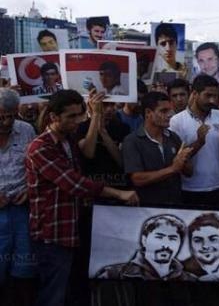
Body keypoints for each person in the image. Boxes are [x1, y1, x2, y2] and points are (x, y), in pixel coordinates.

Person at [25, 90, 138, 306]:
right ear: (54, 117)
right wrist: (119, 193)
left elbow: (88, 153)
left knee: (71, 291)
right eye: (71, 116)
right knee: (53, 295)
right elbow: (75, 184)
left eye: (80, 114)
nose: (77, 121)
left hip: (72, 228)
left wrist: (95, 115)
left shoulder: (67, 140)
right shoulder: (40, 147)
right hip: (52, 233)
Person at [169, 75, 219, 208]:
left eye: (215, 96)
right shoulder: (176, 121)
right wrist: (199, 142)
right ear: (195, 93)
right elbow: (177, 158)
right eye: (208, 95)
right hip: (191, 189)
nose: (212, 100)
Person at [123, 91, 192, 205]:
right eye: (163, 111)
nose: (170, 115)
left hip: (175, 205)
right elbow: (137, 179)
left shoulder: (173, 137)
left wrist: (184, 161)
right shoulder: (132, 141)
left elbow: (189, 172)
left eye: (170, 110)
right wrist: (172, 169)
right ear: (148, 112)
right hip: (147, 208)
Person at [0, 89, 36, 306]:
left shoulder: (26, 130)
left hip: (23, 210)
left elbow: (36, 167)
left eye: (10, 116)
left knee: (24, 268)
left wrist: (30, 189)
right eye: (0, 117)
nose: (5, 122)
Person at [96, 214, 194, 280]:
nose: (165, 245)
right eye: (159, 237)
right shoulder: (112, 274)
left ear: (180, 244)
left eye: (172, 239)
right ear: (144, 240)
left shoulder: (190, 279)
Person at [182, 213, 219, 277]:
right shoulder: (180, 270)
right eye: (198, 240)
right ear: (190, 244)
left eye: (213, 239)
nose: (205, 246)